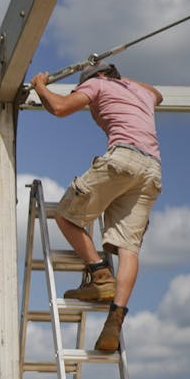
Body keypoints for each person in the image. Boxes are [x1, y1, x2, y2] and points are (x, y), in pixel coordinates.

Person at [30, 62, 163, 352]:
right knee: (129, 248)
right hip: (151, 170)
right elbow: (158, 94)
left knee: (65, 215)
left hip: (123, 159)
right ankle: (115, 318)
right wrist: (121, 79)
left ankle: (100, 274)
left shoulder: (97, 84)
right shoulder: (141, 92)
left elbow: (61, 108)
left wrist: (40, 85)